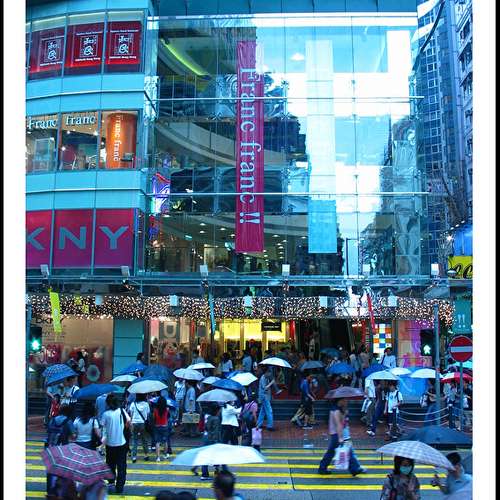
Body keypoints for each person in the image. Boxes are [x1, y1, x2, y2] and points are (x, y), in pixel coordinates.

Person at [317, 395, 366, 476]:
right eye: (345, 400)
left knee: (333, 452)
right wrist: (340, 437)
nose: (346, 401)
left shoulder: (337, 409)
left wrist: (344, 413)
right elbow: (338, 425)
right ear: (340, 400)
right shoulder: (336, 411)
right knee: (346, 450)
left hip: (336, 434)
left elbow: (342, 423)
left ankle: (322, 468)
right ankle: (354, 468)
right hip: (337, 434)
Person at [101, 394, 130, 495]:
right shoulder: (121, 411)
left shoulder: (106, 414)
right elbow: (129, 421)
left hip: (110, 444)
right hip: (121, 443)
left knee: (110, 465)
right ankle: (120, 487)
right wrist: (123, 427)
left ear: (108, 403)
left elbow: (103, 426)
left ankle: (111, 483)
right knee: (121, 466)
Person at [198, 404, 222, 480]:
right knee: (217, 456)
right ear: (217, 410)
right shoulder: (216, 419)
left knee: (205, 456)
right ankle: (216, 471)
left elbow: (205, 427)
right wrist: (217, 441)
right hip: (212, 440)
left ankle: (204, 474)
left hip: (206, 438)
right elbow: (216, 432)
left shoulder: (209, 417)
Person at [128, 393, 151, 462]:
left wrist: (131, 423)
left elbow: (131, 414)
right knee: (144, 440)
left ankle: (134, 457)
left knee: (134, 440)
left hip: (134, 423)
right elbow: (148, 414)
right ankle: (146, 455)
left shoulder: (133, 404)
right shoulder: (146, 404)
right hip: (142, 423)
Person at [153, 395, 173, 462]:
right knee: (165, 441)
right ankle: (165, 455)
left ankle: (158, 458)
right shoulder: (167, 409)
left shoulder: (155, 410)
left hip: (157, 426)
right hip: (165, 426)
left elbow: (154, 418)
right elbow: (168, 417)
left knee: (157, 442)